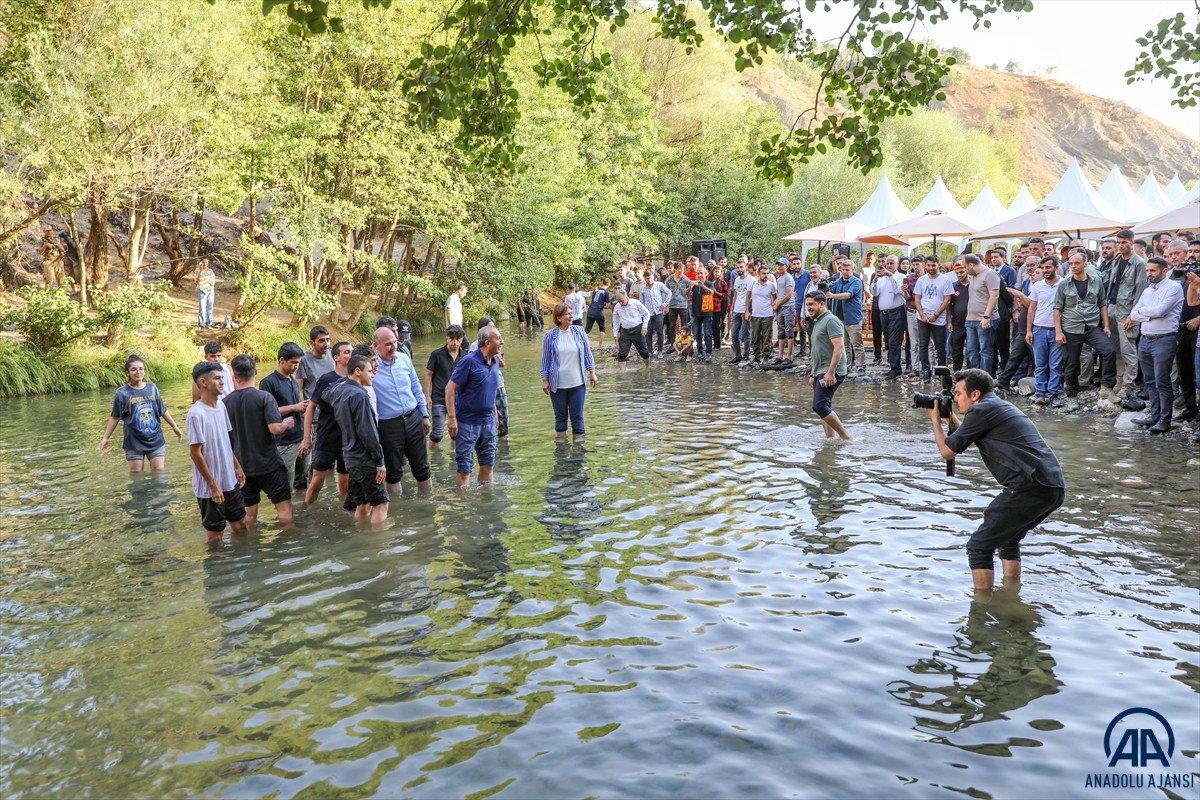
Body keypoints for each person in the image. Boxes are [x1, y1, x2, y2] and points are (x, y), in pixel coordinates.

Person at [927, 369, 1065, 592]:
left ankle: (981, 610)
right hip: (1052, 486)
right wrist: (950, 417)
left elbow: (947, 451)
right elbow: (966, 436)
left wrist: (934, 421)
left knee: (979, 546)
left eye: (959, 393)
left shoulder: (982, 410)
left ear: (975, 395)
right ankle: (1010, 596)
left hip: (1031, 486)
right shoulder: (994, 406)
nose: (955, 399)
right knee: (1007, 540)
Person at [223, 354, 295, 525]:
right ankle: (288, 547)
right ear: (255, 372)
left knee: (249, 514)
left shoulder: (225, 402)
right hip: (268, 464)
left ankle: (249, 547)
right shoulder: (264, 397)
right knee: (284, 509)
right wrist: (286, 423)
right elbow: (275, 429)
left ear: (234, 376)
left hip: (242, 467)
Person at [186, 361, 247, 547]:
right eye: (217, 378)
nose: (222, 382)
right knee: (215, 536)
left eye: (222, 378)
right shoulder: (196, 414)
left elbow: (225, 441)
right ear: (203, 382)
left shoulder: (221, 406)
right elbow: (195, 453)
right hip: (209, 487)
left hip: (229, 479)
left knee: (240, 526)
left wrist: (237, 467)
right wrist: (212, 485)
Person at [328, 354, 389, 525]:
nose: (373, 375)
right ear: (357, 371)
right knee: (381, 503)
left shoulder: (338, 390)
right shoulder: (360, 396)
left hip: (350, 458)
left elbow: (325, 392)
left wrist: (345, 381)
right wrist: (379, 461)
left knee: (362, 503)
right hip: (364, 458)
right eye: (369, 371)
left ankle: (361, 535)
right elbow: (368, 432)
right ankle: (378, 544)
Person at [1128, 257, 1185, 433]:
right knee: (1150, 381)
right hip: (1145, 339)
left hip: (1164, 339)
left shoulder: (1174, 288)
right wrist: (1149, 314)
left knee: (1162, 381)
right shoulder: (1147, 290)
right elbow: (1133, 314)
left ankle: (1164, 420)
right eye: (1147, 271)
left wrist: (1144, 313)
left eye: (1153, 271)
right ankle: (1154, 415)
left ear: (1164, 270)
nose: (1149, 274)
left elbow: (1161, 311)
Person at [372, 326, 432, 493]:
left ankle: (429, 506)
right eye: (388, 344)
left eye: (394, 342)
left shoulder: (404, 359)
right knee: (393, 472)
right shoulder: (370, 367)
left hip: (413, 418)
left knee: (422, 468)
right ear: (376, 346)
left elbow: (416, 387)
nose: (393, 347)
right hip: (388, 424)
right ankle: (397, 510)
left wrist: (425, 415)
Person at [100, 355, 182, 472]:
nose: (138, 372)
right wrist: (105, 438)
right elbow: (115, 417)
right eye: (134, 369)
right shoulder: (122, 393)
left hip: (155, 438)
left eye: (141, 368)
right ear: (128, 373)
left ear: (144, 371)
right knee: (137, 476)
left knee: (159, 472)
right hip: (133, 441)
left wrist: (175, 427)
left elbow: (162, 410)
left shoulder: (152, 388)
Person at [1054, 251, 1116, 398]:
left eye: (1077, 263)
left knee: (1109, 350)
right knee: (1071, 362)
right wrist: (1058, 332)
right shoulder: (1064, 284)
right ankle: (1071, 395)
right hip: (1071, 327)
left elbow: (1102, 304)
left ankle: (1106, 387)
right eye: (1070, 264)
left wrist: (1106, 325)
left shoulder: (1096, 281)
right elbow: (1057, 309)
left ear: (1085, 264)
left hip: (1091, 326)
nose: (1073, 266)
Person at [447, 326, 503, 487]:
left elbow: (489, 389)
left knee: (488, 466)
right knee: (465, 471)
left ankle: (485, 505)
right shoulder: (468, 361)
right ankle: (464, 508)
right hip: (466, 424)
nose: (502, 342)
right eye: (498, 338)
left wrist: (495, 413)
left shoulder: (495, 361)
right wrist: (452, 419)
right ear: (487, 342)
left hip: (488, 422)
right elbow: (450, 388)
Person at [302, 341, 352, 505]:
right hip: (326, 436)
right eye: (346, 352)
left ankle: (344, 512)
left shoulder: (356, 378)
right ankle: (307, 510)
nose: (351, 355)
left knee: (345, 482)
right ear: (336, 357)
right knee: (317, 482)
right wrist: (307, 438)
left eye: (352, 352)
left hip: (347, 439)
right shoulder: (327, 379)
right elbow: (310, 408)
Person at [540, 302, 598, 440]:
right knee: (560, 420)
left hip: (577, 383)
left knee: (577, 418)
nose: (571, 316)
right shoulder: (549, 336)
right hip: (557, 385)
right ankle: (561, 454)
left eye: (571, 313)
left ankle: (578, 455)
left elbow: (587, 354)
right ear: (559, 318)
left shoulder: (579, 332)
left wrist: (592, 372)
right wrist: (545, 380)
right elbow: (545, 360)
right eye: (567, 314)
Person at [259, 343, 309, 491]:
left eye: (298, 363)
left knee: (303, 482)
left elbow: (300, 406)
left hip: (301, 438)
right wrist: (295, 407)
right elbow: (267, 413)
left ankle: (303, 512)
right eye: (293, 363)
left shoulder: (293, 381)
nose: (296, 367)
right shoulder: (268, 383)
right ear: (281, 360)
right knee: (286, 485)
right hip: (284, 442)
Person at [806, 293, 851, 441]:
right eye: (807, 305)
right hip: (821, 370)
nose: (809, 308)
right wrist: (813, 374)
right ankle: (830, 440)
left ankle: (846, 437)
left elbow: (839, 349)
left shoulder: (831, 321)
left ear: (822, 304)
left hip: (833, 370)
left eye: (811, 304)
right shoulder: (818, 321)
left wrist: (831, 373)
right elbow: (817, 350)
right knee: (823, 406)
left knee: (819, 406)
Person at [1166, 239, 1199, 422]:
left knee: (1196, 369)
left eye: (1177, 253)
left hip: (1195, 326)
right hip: (1179, 326)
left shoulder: (1195, 272)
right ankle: (1190, 407)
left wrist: (1198, 318)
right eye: (1171, 254)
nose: (1173, 257)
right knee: (1183, 367)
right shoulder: (1170, 275)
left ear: (1186, 254)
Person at [1026, 257, 1065, 407]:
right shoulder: (1037, 286)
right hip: (1039, 329)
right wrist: (1029, 330)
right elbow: (1031, 308)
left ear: (1056, 267)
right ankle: (1040, 393)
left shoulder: (1065, 283)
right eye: (1043, 268)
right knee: (1040, 364)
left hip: (1058, 330)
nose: (1045, 271)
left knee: (1055, 365)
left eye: (1048, 267)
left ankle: (1053, 394)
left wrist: (1060, 331)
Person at [424, 325, 465, 447]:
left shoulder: (466, 356)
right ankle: (433, 459)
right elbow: (428, 375)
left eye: (458, 339)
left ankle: (454, 459)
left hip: (458, 399)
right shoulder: (436, 355)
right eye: (451, 338)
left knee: (456, 433)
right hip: (439, 398)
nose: (455, 342)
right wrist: (427, 396)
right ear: (447, 338)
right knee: (437, 434)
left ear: (462, 339)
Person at [913, 258, 953, 381]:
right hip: (923, 317)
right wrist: (922, 314)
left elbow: (947, 300)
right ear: (925, 265)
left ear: (938, 265)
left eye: (933, 265)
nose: (931, 268)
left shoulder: (945, 280)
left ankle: (941, 370)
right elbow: (917, 298)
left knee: (940, 346)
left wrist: (936, 314)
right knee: (923, 345)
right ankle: (926, 370)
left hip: (939, 318)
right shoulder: (921, 280)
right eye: (928, 265)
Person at [964, 254, 1001, 374]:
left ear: (971, 265)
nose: (965, 270)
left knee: (985, 351)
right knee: (971, 350)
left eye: (965, 267)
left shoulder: (990, 274)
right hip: (971, 319)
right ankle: (975, 376)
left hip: (984, 319)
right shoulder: (973, 276)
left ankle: (985, 378)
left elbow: (994, 295)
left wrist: (986, 317)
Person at [873, 255, 907, 380]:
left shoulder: (901, 277)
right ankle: (893, 367)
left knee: (894, 342)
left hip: (896, 312)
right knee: (888, 341)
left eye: (891, 263)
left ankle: (896, 369)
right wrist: (876, 279)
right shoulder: (882, 278)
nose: (889, 265)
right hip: (884, 313)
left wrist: (890, 276)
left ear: (897, 264)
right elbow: (875, 293)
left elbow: (898, 290)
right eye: (887, 263)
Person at [828, 260, 865, 374]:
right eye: (842, 270)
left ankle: (861, 367)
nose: (844, 272)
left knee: (856, 344)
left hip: (852, 317)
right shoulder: (838, 281)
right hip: (839, 317)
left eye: (847, 270)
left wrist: (832, 295)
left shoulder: (856, 282)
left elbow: (848, 295)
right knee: (845, 345)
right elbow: (829, 290)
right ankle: (848, 365)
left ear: (853, 270)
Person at [747, 265, 779, 365]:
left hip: (767, 314)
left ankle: (766, 356)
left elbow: (775, 298)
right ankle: (757, 356)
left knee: (767, 336)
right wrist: (747, 311)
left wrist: (774, 310)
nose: (766, 275)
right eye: (763, 273)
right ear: (758, 273)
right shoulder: (752, 283)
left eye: (767, 273)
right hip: (755, 314)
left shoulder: (771, 285)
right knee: (756, 336)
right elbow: (748, 298)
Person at [612, 288, 652, 366]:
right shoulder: (617, 307)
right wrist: (615, 335)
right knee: (622, 354)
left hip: (637, 330)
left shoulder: (636, 303)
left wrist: (644, 326)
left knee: (644, 352)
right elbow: (616, 322)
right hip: (625, 331)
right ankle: (622, 375)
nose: (620, 303)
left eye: (622, 301)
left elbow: (647, 313)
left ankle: (648, 368)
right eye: (618, 301)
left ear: (626, 297)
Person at [636, 269, 669, 353]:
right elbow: (641, 301)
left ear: (653, 277)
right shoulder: (642, 287)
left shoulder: (659, 285)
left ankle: (660, 350)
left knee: (660, 332)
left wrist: (664, 305)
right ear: (645, 278)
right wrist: (641, 313)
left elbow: (669, 293)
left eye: (650, 278)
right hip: (648, 314)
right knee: (648, 333)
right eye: (647, 278)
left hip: (658, 312)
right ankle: (650, 351)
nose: (649, 280)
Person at [947, 259, 971, 372]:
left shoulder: (974, 284)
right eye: (957, 273)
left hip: (972, 321)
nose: (959, 275)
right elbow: (949, 305)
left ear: (966, 270)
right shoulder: (953, 286)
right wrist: (949, 322)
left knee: (971, 349)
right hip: (957, 322)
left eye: (961, 272)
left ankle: (971, 372)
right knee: (956, 349)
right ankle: (957, 372)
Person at [688, 267, 716, 361]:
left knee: (707, 333)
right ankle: (700, 352)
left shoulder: (710, 283)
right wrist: (690, 287)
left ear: (706, 274)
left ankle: (708, 353)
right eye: (698, 273)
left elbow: (711, 292)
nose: (699, 275)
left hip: (707, 312)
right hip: (696, 312)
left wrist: (702, 285)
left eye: (701, 273)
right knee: (697, 333)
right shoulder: (695, 284)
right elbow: (686, 294)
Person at [772, 258, 796, 364]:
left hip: (788, 307)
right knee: (781, 332)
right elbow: (780, 293)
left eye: (781, 265)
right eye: (778, 265)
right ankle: (780, 355)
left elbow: (789, 294)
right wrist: (776, 303)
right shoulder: (779, 278)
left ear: (786, 266)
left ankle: (789, 356)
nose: (779, 267)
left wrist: (778, 304)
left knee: (789, 332)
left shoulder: (788, 277)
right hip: (780, 307)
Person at [729, 260, 754, 363]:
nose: (739, 269)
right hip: (736, 310)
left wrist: (747, 310)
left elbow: (751, 296)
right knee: (734, 334)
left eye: (741, 267)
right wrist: (731, 308)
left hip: (745, 310)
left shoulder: (751, 279)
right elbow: (735, 295)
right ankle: (738, 355)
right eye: (737, 267)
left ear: (746, 267)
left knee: (745, 333)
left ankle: (746, 355)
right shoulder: (737, 279)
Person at [664, 263, 692, 347]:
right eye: (680, 269)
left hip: (683, 305)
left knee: (685, 326)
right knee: (672, 326)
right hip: (672, 305)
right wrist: (666, 305)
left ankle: (685, 344)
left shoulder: (686, 279)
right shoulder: (669, 279)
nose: (682, 271)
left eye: (683, 269)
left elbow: (688, 293)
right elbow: (666, 292)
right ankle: (673, 344)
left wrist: (689, 289)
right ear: (675, 269)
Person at [585, 280, 612, 348]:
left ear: (602, 283)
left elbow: (593, 300)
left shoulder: (596, 289)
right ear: (609, 284)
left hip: (590, 311)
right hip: (598, 312)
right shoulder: (606, 292)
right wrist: (604, 305)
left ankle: (579, 341)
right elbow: (607, 305)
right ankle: (600, 346)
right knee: (602, 329)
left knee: (587, 329)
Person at [195, 259, 216, 328]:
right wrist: (201, 272)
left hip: (210, 290)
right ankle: (201, 323)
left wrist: (205, 280)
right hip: (202, 290)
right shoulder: (198, 270)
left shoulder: (210, 271)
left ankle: (209, 322)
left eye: (206, 262)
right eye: (203, 262)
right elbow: (197, 281)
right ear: (201, 262)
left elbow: (213, 281)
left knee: (210, 306)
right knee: (202, 306)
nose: (205, 263)